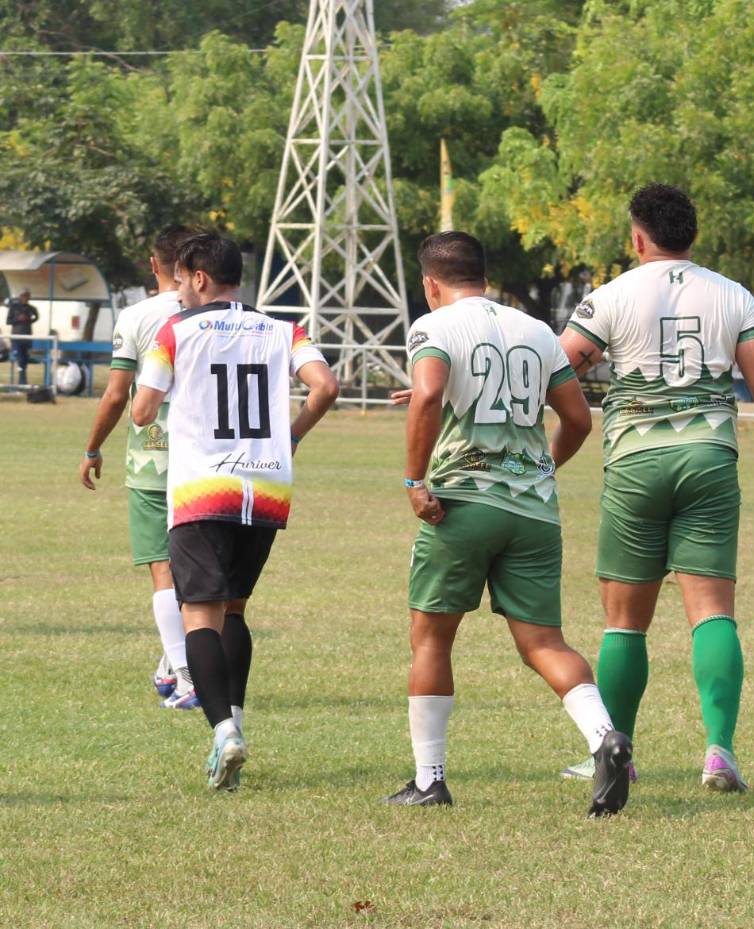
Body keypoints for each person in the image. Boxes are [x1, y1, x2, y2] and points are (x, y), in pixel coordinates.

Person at [558, 184, 754, 792]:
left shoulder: (609, 296)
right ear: (692, 236)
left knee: (623, 623)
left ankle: (613, 752)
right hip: (709, 459)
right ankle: (719, 751)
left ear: (638, 238)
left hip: (635, 461)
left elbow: (559, 368)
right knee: (712, 611)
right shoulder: (733, 296)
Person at [385, 231, 632, 817]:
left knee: (432, 638)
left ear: (430, 283)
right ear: (486, 277)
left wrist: (415, 482)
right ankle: (605, 737)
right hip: (533, 511)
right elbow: (576, 418)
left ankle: (429, 780)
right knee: (544, 642)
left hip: (462, 504)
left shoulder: (433, 327)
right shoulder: (537, 331)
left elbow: (428, 395)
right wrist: (540, 466)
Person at [131, 233, 339, 790]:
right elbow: (325, 385)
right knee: (237, 611)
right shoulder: (282, 329)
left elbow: (142, 408)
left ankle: (224, 731)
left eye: (179, 282)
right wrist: (289, 436)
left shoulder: (176, 330)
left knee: (200, 614)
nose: (176, 293)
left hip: (202, 487)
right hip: (264, 486)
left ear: (198, 278)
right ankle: (237, 720)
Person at [79, 225, 201, 709]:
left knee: (162, 569)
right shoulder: (220, 313)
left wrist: (92, 448)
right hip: (212, 458)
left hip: (154, 456)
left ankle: (189, 677)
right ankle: (173, 661)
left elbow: (116, 394)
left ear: (155, 265)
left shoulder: (138, 316)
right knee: (199, 570)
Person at [7, 289, 39, 384]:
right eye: (23, 296)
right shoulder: (14, 307)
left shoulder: (31, 308)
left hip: (27, 336)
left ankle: (23, 381)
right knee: (20, 359)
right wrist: (18, 319)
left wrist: (28, 320)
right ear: (20, 296)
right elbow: (8, 321)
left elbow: (36, 317)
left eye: (27, 296)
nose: (25, 298)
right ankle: (22, 381)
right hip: (16, 337)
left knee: (25, 359)